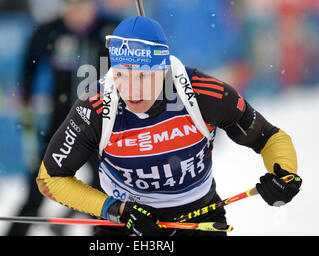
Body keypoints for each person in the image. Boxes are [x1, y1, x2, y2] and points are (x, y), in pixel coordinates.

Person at [36, 15, 302, 236]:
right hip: (127, 223)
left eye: (142, 76)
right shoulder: (94, 108)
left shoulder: (204, 94)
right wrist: (115, 209)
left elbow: (270, 137)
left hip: (199, 217)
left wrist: (284, 174)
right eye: (120, 75)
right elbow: (50, 179)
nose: (130, 89)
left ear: (163, 70)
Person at [5, 0, 119, 236]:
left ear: (93, 2)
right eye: (69, 6)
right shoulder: (50, 31)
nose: (75, 13)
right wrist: (27, 99)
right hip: (63, 122)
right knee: (42, 180)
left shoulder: (111, 29)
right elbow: (28, 67)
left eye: (81, 5)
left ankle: (101, 236)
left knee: (107, 187)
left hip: (105, 123)